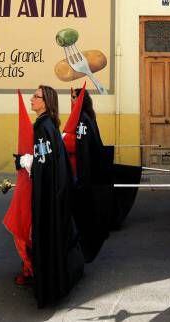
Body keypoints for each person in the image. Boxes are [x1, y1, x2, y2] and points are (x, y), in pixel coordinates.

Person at [14, 85, 84, 307]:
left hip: (48, 198)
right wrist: (29, 158)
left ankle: (50, 286)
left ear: (45, 102)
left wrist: (25, 162)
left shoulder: (43, 128)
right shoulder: (48, 125)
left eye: (36, 96)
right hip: (55, 194)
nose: (32, 99)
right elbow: (49, 161)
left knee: (47, 238)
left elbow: (44, 166)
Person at [67, 87, 111, 262]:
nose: (71, 100)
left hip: (85, 172)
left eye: (73, 97)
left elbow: (83, 150)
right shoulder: (86, 117)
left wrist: (82, 177)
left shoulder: (82, 121)